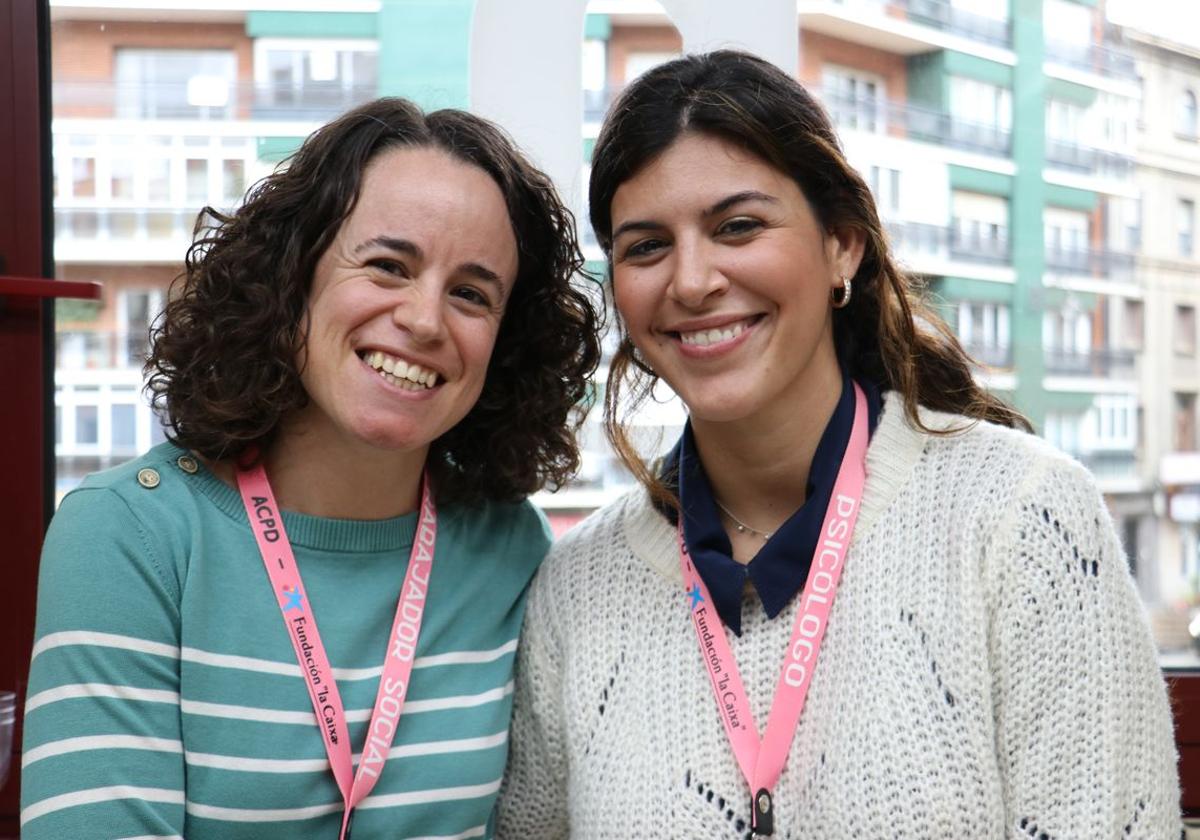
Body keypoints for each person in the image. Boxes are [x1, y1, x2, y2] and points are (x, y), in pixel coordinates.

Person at [497, 51, 1180, 837]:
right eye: (646, 246)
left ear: (842, 247)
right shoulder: (576, 590)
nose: (690, 281)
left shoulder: (1024, 521)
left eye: (738, 226)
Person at [21, 97, 600, 839]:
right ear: (292, 281)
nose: (425, 321)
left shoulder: (507, 546)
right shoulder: (129, 535)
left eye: (471, 294)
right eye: (389, 266)